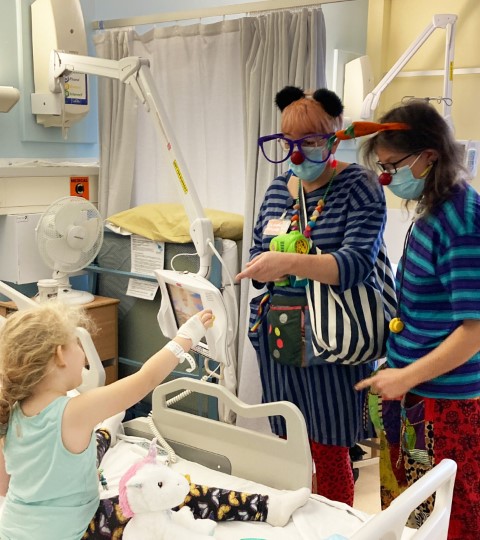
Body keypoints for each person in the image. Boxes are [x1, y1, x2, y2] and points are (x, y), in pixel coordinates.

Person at [0, 302, 309, 540]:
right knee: (165, 489)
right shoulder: (75, 411)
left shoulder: (10, 414)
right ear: (59, 355)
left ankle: (108, 429)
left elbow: (6, 486)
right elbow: (145, 379)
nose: (83, 352)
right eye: (77, 344)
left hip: (13, 531)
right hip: (75, 532)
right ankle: (268, 507)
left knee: (86, 446)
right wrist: (184, 338)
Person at [236, 86, 395, 505]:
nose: (297, 155)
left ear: (334, 136)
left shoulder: (358, 186)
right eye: (288, 144)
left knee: (329, 448)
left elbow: (354, 264)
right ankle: (297, 520)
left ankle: (335, 528)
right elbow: (257, 254)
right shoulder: (275, 191)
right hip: (280, 334)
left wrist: (286, 264)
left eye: (309, 142)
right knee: (290, 442)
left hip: (335, 338)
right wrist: (264, 264)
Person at [356, 99, 480, 540]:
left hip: (448, 406)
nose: (387, 178)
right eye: (382, 167)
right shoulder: (433, 211)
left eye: (393, 165)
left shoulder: (461, 222)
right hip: (415, 397)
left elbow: (474, 332)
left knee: (451, 517)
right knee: (407, 512)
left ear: (430, 156)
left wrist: (407, 374)